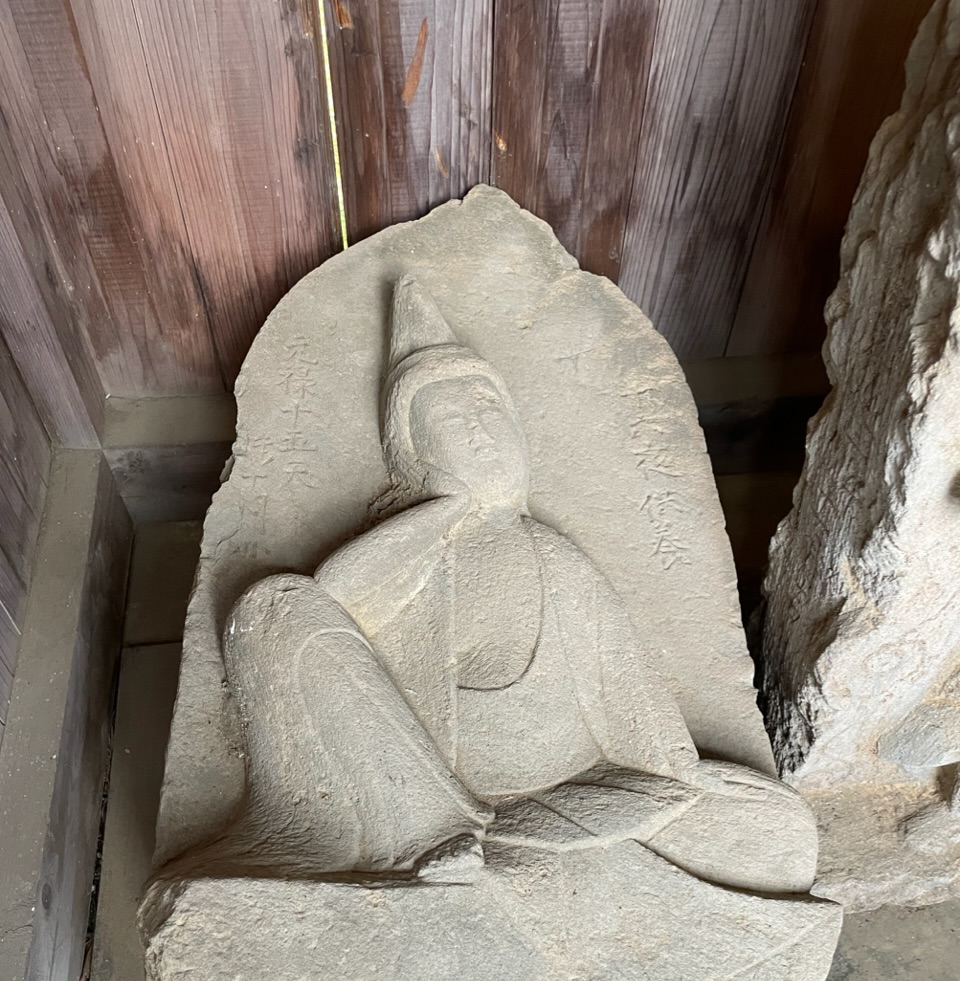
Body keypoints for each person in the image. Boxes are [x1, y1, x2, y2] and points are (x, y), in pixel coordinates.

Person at [157, 278, 816, 893]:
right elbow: (330, 601)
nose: (481, 434)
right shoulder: (415, 552)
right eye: (455, 423)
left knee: (782, 837)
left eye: (490, 413)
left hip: (563, 795)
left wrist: (681, 791)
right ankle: (425, 837)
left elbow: (645, 721)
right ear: (417, 453)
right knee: (272, 609)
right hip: (421, 798)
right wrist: (445, 510)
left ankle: (466, 844)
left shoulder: (557, 562)